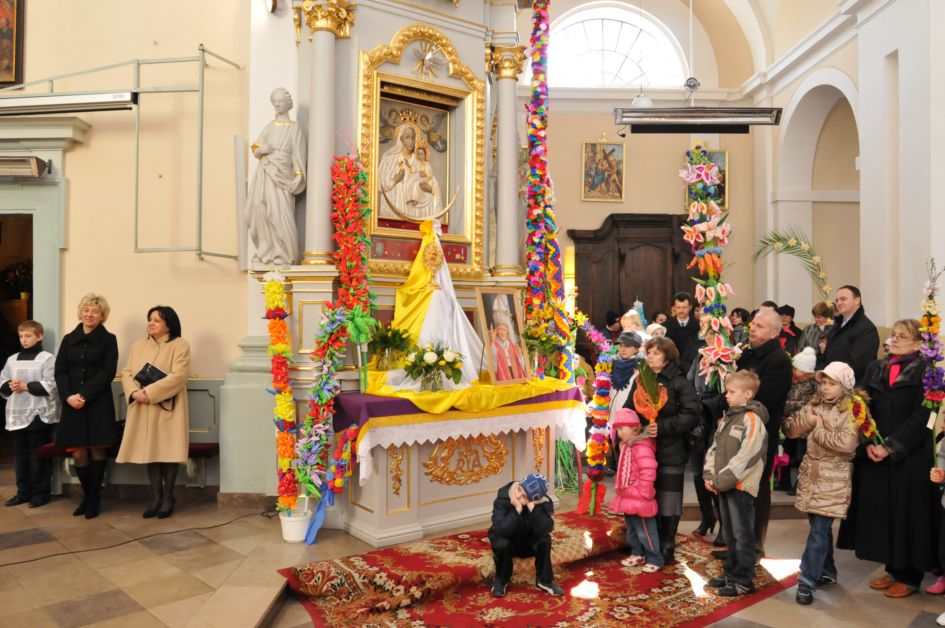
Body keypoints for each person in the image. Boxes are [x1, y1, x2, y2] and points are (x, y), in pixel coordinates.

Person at [837, 318, 938, 598]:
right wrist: (871, 441)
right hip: (876, 452)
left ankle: (910, 577)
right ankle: (893, 569)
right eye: (893, 335)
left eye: (901, 337)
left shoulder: (928, 373)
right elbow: (863, 406)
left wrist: (891, 447)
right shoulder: (876, 367)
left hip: (909, 456)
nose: (892, 340)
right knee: (883, 513)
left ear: (918, 345)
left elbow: (924, 416)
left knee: (907, 515)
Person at [783, 362, 860, 605]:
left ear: (844, 385)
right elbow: (790, 430)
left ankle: (806, 580)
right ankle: (827, 571)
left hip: (834, 476)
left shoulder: (853, 408)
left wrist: (816, 430)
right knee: (820, 529)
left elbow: (847, 443)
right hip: (811, 473)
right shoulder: (814, 404)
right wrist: (806, 421)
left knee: (819, 530)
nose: (825, 388)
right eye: (823, 383)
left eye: (832, 383)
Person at [623, 336, 700, 563]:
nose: (650, 356)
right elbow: (629, 409)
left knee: (668, 501)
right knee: (645, 497)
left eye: (656, 353)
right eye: (648, 352)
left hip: (671, 450)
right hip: (643, 449)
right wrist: (627, 429)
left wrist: (663, 427)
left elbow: (691, 414)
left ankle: (666, 545)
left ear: (668, 357)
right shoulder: (641, 379)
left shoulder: (679, 381)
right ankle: (648, 544)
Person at [117, 306, 191, 519]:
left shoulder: (180, 345)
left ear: (169, 324)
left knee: (168, 452)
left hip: (168, 406)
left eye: (157, 320)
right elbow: (127, 372)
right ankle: (156, 497)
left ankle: (168, 497)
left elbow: (179, 376)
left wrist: (149, 392)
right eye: (150, 319)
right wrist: (134, 393)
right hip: (142, 406)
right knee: (150, 452)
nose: (151, 323)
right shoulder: (138, 346)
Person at [703, 370, 769, 597]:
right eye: (727, 391)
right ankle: (730, 573)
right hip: (723, 484)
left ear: (747, 394)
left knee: (742, 535)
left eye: (732, 392)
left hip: (740, 486)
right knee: (730, 534)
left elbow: (748, 455)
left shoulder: (752, 420)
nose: (727, 395)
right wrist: (709, 474)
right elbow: (715, 448)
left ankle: (743, 580)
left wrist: (721, 479)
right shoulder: (728, 418)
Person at [54, 294, 119, 519]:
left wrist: (84, 395)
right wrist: (68, 397)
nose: (89, 315)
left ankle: (93, 498)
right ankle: (89, 495)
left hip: (98, 401)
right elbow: (60, 372)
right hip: (72, 402)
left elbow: (108, 372)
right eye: (86, 310)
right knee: (78, 451)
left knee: (97, 449)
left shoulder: (109, 339)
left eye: (95, 311)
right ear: (81, 312)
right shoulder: (68, 339)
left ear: (102, 316)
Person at [734, 309, 793, 557]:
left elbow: (763, 397)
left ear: (773, 332)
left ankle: (754, 545)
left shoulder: (779, 361)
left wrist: (736, 402)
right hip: (738, 428)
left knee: (756, 488)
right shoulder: (748, 353)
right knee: (737, 486)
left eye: (759, 326)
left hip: (760, 432)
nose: (752, 328)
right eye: (753, 324)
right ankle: (737, 542)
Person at [1, 321, 58, 508]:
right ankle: (23, 492)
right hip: (17, 412)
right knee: (20, 455)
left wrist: (25, 386)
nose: (24, 340)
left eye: (28, 336)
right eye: (21, 336)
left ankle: (41, 493)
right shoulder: (12, 359)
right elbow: (3, 379)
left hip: (38, 413)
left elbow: (52, 384)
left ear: (40, 336)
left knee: (37, 456)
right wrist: (9, 385)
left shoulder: (47, 358)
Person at [247, 88, 307, 266]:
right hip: (266, 171)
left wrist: (298, 175)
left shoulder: (294, 128)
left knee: (279, 213)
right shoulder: (270, 126)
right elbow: (256, 148)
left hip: (283, 175)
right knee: (259, 206)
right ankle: (266, 250)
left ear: (288, 103)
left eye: (280, 101)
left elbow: (298, 154)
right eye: (274, 101)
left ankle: (285, 253)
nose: (277, 104)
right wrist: (262, 150)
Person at [488, 473, 564, 597]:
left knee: (545, 539)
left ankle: (545, 581)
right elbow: (501, 530)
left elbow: (545, 529)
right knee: (501, 542)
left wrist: (533, 508)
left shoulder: (542, 503)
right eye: (519, 489)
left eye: (524, 496)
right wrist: (517, 509)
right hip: (509, 544)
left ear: (534, 499)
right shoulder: (504, 497)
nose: (518, 495)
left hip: (528, 544)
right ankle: (501, 580)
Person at [609, 408, 663, 572]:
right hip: (628, 495)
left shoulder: (641, 446)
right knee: (631, 529)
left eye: (621, 428)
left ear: (634, 428)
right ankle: (637, 553)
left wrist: (644, 492)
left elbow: (648, 469)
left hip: (639, 496)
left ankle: (655, 558)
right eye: (617, 429)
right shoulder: (627, 446)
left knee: (645, 530)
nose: (619, 433)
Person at [688, 320, 726, 543]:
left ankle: (724, 524)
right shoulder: (699, 356)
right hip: (698, 416)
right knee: (697, 472)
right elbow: (690, 382)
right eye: (706, 333)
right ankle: (707, 516)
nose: (709, 337)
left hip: (717, 417)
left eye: (713, 333)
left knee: (713, 471)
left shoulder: (727, 358)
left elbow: (729, 391)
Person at [776, 347, 819, 494]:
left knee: (801, 457)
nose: (793, 371)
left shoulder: (813, 385)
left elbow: (808, 404)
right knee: (785, 454)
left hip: (803, 428)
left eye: (796, 369)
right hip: (789, 424)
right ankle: (784, 481)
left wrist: (787, 406)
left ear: (806, 371)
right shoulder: (792, 382)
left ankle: (800, 485)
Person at [379, 123, 442, 221]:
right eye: (407, 137)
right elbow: (380, 186)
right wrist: (394, 181)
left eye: (413, 138)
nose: (411, 141)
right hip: (396, 212)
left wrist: (430, 190)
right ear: (401, 138)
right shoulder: (390, 160)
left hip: (414, 213)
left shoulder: (420, 162)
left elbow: (433, 184)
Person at [818, 285, 880, 385]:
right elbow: (827, 356)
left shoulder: (866, 329)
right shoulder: (837, 325)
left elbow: (858, 365)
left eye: (843, 299)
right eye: (837, 300)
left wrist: (832, 379)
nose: (838, 303)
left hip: (849, 386)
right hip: (830, 382)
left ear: (857, 300)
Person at [608, 331, 642, 474]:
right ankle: (616, 467)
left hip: (630, 414)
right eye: (620, 345)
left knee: (629, 445)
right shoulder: (610, 364)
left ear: (636, 348)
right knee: (614, 441)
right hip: (613, 411)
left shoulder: (641, 366)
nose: (623, 349)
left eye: (627, 346)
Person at [664, 292, 700, 370]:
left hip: (692, 368)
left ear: (690, 307)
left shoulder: (698, 327)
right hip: (670, 369)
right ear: (674, 308)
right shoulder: (665, 327)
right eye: (678, 307)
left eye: (684, 307)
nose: (681, 310)